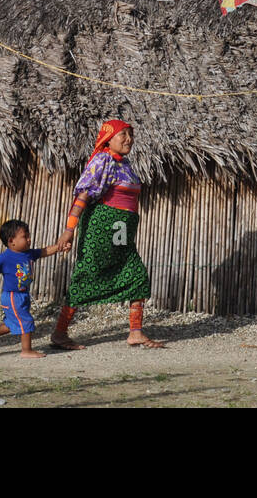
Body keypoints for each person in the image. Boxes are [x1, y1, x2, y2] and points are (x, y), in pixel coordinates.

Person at [50, 119, 166, 349]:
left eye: (130, 135)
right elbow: (83, 195)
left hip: (120, 230)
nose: (128, 140)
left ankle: (135, 332)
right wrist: (69, 229)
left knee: (135, 273)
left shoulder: (125, 164)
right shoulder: (102, 160)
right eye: (123, 135)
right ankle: (59, 333)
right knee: (87, 274)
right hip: (102, 229)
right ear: (108, 138)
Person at [0, 219, 67, 358]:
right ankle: (26, 350)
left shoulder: (29, 253)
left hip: (23, 295)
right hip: (12, 296)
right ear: (11, 241)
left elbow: (45, 251)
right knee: (26, 320)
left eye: (28, 235)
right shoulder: (5, 257)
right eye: (25, 236)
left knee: (12, 323)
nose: (29, 239)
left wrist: (60, 247)